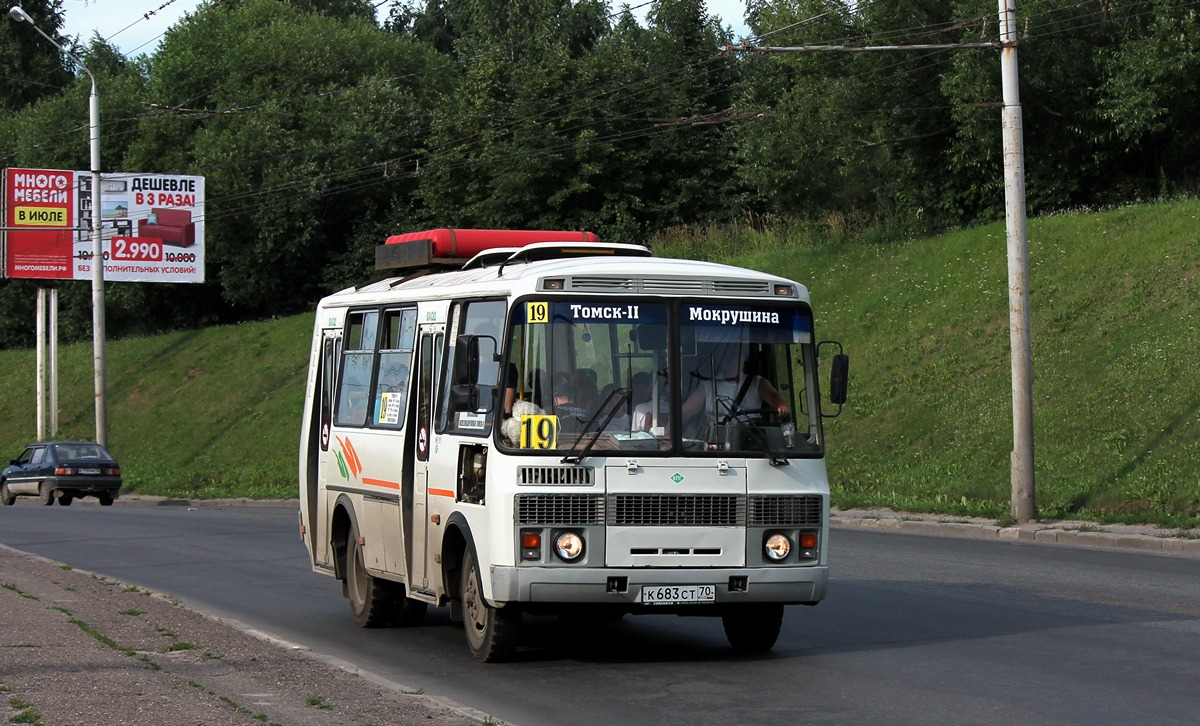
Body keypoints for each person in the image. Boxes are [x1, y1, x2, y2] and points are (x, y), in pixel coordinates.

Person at [681, 348, 790, 427]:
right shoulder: (707, 387)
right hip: (717, 443)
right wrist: (667, 432)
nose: (732, 361)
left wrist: (780, 405)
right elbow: (685, 412)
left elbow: (773, 395)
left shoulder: (757, 382)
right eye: (727, 357)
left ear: (743, 359)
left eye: (735, 356)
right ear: (720, 360)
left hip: (752, 440)